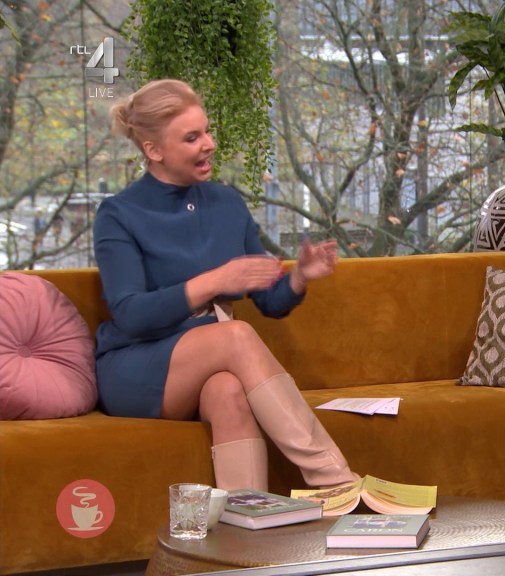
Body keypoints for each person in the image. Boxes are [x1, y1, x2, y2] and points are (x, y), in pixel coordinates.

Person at [94, 79, 358, 492]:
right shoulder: (118, 214)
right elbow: (130, 314)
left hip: (212, 364)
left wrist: (298, 277)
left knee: (229, 390)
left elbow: (270, 302)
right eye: (192, 138)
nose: (209, 144)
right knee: (235, 335)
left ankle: (246, 517)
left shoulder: (227, 203)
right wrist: (215, 281)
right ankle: (336, 481)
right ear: (153, 150)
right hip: (138, 366)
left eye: (207, 131)